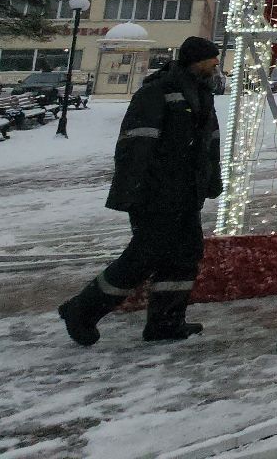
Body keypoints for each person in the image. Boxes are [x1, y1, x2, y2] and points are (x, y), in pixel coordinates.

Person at [57, 35, 223, 346]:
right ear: (193, 61)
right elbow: (136, 145)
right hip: (156, 193)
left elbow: (207, 144)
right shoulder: (158, 91)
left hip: (186, 192)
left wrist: (211, 181)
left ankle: (166, 322)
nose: (216, 64)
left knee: (184, 256)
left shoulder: (201, 93)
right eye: (210, 59)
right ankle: (83, 309)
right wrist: (132, 190)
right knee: (144, 257)